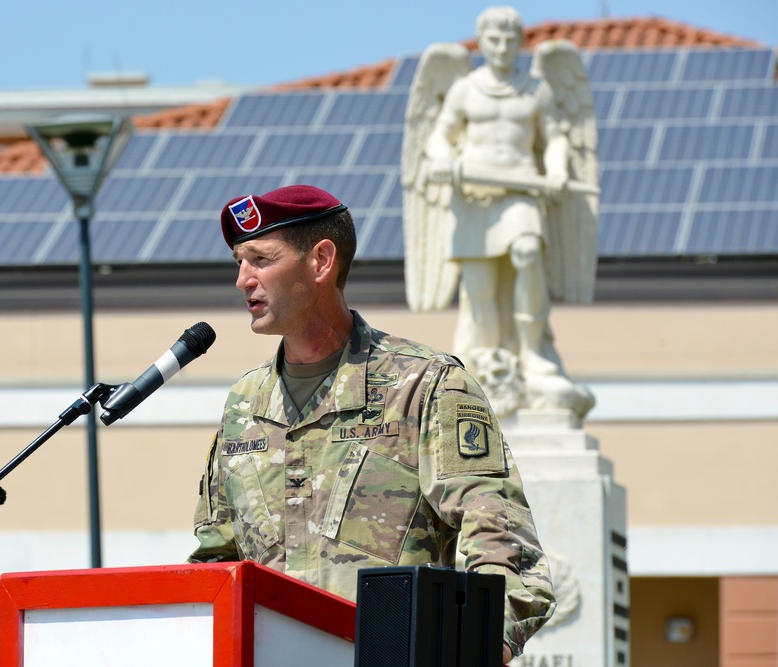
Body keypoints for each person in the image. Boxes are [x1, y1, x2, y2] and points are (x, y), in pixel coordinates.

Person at [188, 184, 555, 661]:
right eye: (239, 262)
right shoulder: (244, 403)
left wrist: (476, 653)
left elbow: (505, 548)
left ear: (321, 261)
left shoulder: (426, 385)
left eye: (260, 259)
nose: (243, 279)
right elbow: (216, 564)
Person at [403, 5, 598, 418]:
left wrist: (559, 169)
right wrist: (441, 159)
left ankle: (533, 354)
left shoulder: (536, 89)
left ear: (520, 42)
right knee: (479, 286)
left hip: (521, 191)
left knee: (528, 254)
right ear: (481, 42)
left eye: (510, 39)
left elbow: (555, 138)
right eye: (494, 39)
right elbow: (439, 136)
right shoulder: (465, 88)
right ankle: (486, 361)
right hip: (474, 197)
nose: (502, 47)